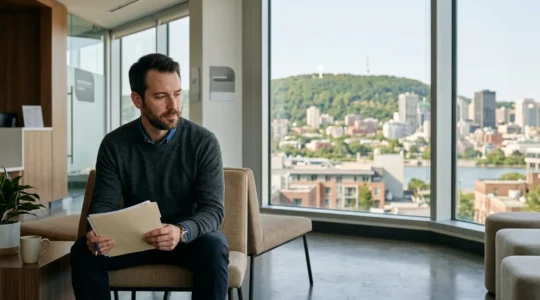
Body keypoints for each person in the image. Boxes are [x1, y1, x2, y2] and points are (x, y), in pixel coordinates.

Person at [70, 53, 229, 300]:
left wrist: (180, 231)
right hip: (135, 239)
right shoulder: (115, 144)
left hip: (185, 239)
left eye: (177, 93)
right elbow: (104, 204)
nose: (173, 105)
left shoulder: (203, 142)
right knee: (83, 250)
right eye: (160, 96)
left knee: (215, 244)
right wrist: (97, 232)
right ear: (137, 100)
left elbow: (213, 210)